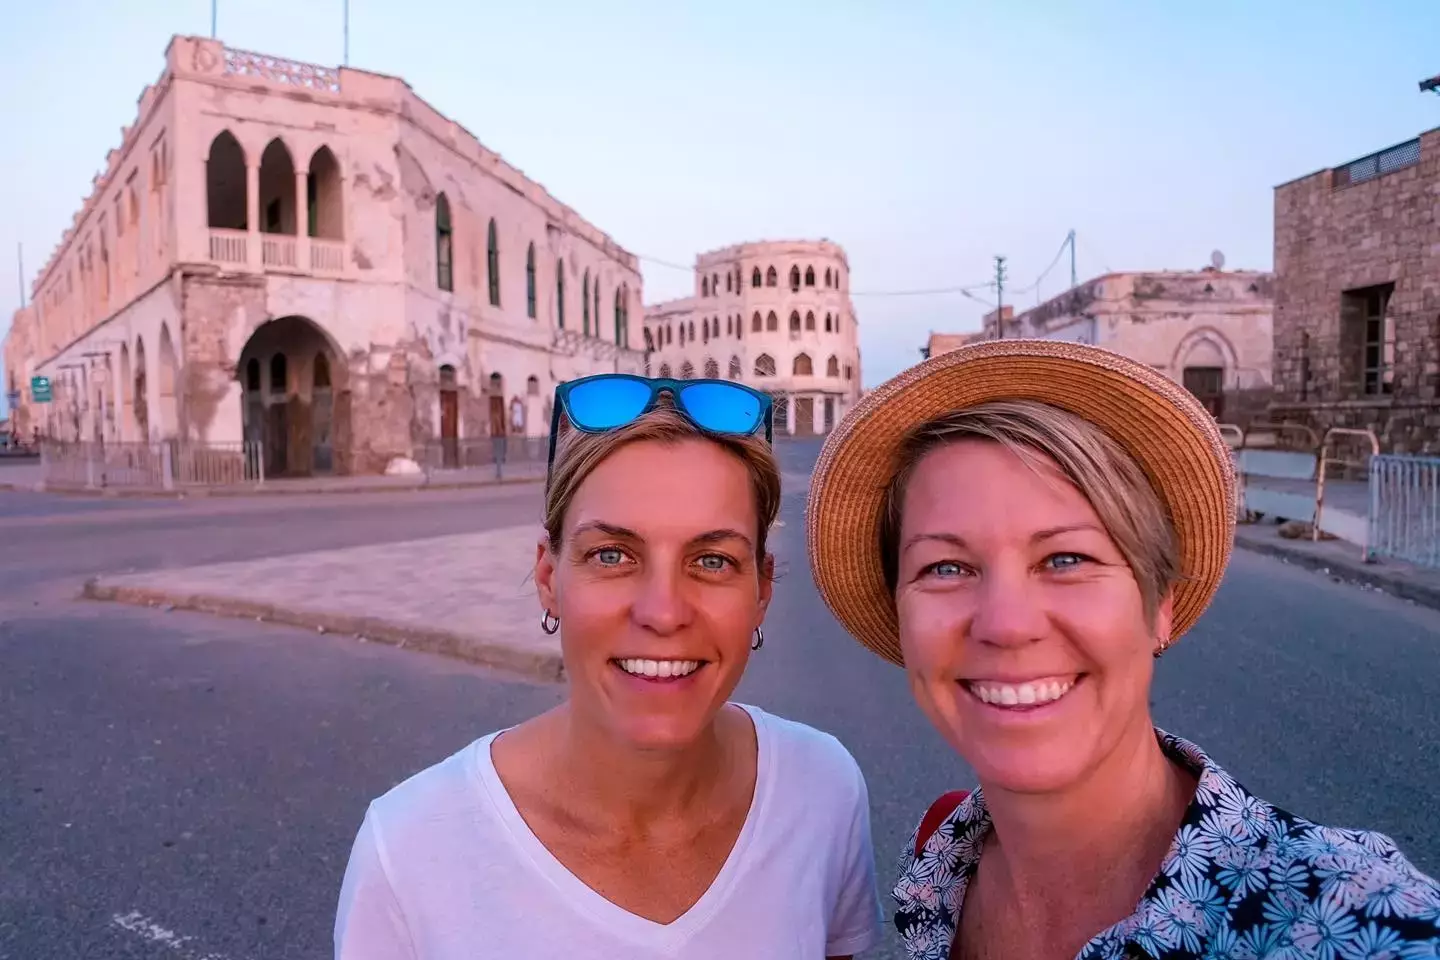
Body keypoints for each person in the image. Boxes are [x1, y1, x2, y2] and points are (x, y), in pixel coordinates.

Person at [805, 339, 1440, 960]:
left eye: (1067, 558)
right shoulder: (937, 873)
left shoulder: (1356, 920)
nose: (1006, 623)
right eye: (946, 568)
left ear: (1160, 603)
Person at [335, 372, 883, 959]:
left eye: (714, 561)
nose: (663, 612)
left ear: (763, 589)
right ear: (550, 578)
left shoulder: (823, 790)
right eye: (613, 555)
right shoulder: (409, 853)